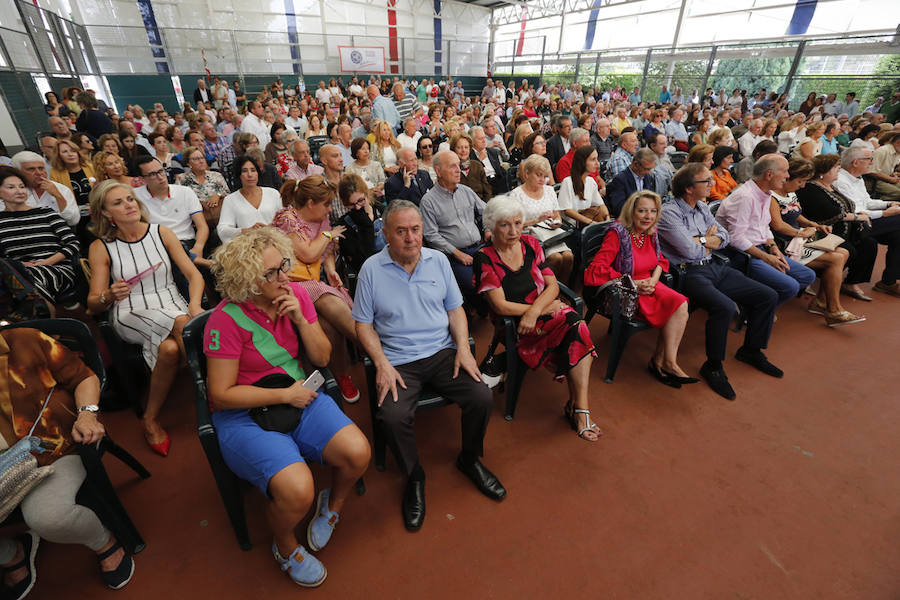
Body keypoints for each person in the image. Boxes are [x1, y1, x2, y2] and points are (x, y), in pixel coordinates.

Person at [203, 227, 369, 587]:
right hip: (245, 414)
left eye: (284, 266)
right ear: (246, 279)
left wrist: (300, 319)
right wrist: (284, 396)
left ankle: (333, 505)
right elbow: (221, 394)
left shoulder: (295, 296)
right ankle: (284, 544)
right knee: (297, 490)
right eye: (272, 273)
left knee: (358, 453)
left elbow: (323, 357)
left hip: (298, 395)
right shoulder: (224, 319)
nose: (285, 277)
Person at [353, 199, 506, 532]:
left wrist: (465, 350)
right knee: (392, 417)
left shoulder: (438, 261)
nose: (411, 238)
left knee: (481, 397)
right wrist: (380, 362)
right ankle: (414, 476)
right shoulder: (371, 270)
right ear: (386, 234)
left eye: (416, 229)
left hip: (441, 352)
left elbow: (455, 310)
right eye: (401, 231)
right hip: (398, 360)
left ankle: (469, 458)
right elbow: (362, 324)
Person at [0, 327, 135, 598]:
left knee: (48, 517)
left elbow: (84, 378)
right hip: (4, 468)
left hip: (54, 450)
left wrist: (87, 415)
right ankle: (11, 553)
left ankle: (103, 540)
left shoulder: (26, 341)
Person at [87, 180, 203, 455]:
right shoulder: (101, 247)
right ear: (105, 213)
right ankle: (215, 396)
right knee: (181, 324)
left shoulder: (161, 232)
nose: (128, 205)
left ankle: (149, 419)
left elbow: (193, 275)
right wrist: (110, 294)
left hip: (173, 303)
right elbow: (94, 303)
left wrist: (195, 305)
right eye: (118, 203)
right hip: (130, 312)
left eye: (129, 199)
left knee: (170, 348)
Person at [474, 195, 600, 440]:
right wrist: (536, 311)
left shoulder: (531, 244)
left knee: (576, 326)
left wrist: (535, 310)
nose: (513, 231)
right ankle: (579, 409)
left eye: (518, 223)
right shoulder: (484, 258)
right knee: (576, 327)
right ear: (492, 226)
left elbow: (553, 286)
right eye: (505, 225)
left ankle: (579, 406)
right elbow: (500, 306)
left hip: (540, 313)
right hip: (514, 324)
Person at [656, 163, 779, 400]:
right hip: (688, 273)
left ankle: (751, 350)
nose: (712, 184)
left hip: (715, 266)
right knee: (723, 306)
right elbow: (689, 252)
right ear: (689, 188)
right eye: (706, 181)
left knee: (767, 295)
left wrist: (703, 240)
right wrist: (707, 239)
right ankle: (713, 365)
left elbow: (725, 237)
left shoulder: (702, 206)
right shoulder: (670, 212)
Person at [585, 189, 694, 387]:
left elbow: (661, 261)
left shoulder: (650, 231)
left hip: (649, 284)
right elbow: (595, 270)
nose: (648, 217)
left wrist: (654, 279)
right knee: (673, 308)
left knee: (681, 304)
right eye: (642, 211)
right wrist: (632, 283)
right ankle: (663, 363)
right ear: (631, 211)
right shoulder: (617, 233)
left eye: (653, 211)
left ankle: (665, 361)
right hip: (625, 291)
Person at [273, 176, 360, 403]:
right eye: (327, 204)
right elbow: (309, 254)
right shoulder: (288, 219)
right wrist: (327, 235)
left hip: (313, 284)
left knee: (330, 326)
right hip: (288, 285)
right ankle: (379, 351)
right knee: (329, 300)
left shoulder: (321, 218)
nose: (330, 209)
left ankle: (339, 376)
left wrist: (331, 270)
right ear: (310, 203)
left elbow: (326, 252)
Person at [768, 158, 863, 326]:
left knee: (844, 252)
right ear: (787, 178)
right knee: (837, 257)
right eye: (800, 181)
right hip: (783, 245)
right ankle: (833, 309)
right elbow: (778, 225)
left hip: (797, 240)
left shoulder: (790, 193)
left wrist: (815, 225)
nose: (803, 186)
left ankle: (822, 302)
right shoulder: (772, 196)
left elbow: (796, 214)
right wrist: (801, 232)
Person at [716, 155, 817, 306]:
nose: (788, 176)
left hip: (762, 248)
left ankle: (761, 305)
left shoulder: (766, 193)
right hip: (742, 254)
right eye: (785, 171)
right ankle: (755, 311)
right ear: (769, 174)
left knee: (807, 276)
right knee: (791, 286)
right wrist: (767, 258)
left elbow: (764, 227)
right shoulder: (745, 197)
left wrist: (773, 248)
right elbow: (736, 239)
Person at [796, 153, 879, 301]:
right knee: (850, 251)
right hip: (825, 232)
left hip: (846, 230)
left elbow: (849, 205)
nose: (839, 171)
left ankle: (851, 283)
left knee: (869, 244)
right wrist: (857, 216)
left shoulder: (831, 186)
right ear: (823, 172)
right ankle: (824, 286)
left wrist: (856, 214)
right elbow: (833, 213)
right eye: (836, 168)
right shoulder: (810, 188)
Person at [0, 166, 80, 310]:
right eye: (11, 187)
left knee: (29, 278)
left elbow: (73, 243)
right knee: (21, 279)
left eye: (22, 186)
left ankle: (47, 325)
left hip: (57, 267)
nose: (19, 191)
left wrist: (45, 262)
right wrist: (22, 266)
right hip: (18, 272)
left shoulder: (46, 213)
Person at [832, 146, 900, 297]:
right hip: (851, 223)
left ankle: (888, 282)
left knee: (898, 235)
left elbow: (866, 202)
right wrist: (885, 212)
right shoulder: (840, 181)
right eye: (869, 159)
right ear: (856, 162)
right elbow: (854, 211)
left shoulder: (857, 178)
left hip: (866, 219)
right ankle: (886, 282)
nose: (871, 162)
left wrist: (888, 204)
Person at [508, 155, 574, 282]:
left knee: (569, 256)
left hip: (551, 233)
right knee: (556, 258)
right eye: (538, 175)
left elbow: (557, 215)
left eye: (545, 176)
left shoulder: (549, 191)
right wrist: (536, 220)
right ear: (527, 174)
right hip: (529, 235)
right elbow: (513, 225)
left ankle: (563, 291)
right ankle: (548, 290)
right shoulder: (516, 195)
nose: (542, 180)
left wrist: (557, 222)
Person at [217, 155, 283, 244]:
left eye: (253, 170)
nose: (250, 175)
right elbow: (222, 229)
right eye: (244, 171)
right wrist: (246, 230)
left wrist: (271, 226)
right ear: (239, 175)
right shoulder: (230, 200)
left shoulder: (273, 193)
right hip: (248, 247)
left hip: (276, 243)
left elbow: (285, 219)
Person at [8, 151, 79, 226]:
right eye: (31, 169)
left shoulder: (61, 189)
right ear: (18, 172)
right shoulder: (9, 193)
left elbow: (73, 221)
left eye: (41, 168)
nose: (38, 173)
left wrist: (58, 196)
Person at [557, 145, 609, 228]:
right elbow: (567, 210)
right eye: (593, 159)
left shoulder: (590, 181)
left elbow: (601, 205)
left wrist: (607, 217)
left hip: (587, 224)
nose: (597, 163)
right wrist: (590, 222)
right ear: (582, 162)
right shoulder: (568, 182)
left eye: (597, 158)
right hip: (571, 227)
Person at [177, 146, 229, 228]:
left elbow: (230, 197)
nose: (201, 161)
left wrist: (218, 195)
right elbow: (179, 203)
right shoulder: (181, 179)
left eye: (202, 158)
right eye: (196, 159)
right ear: (188, 163)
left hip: (220, 216)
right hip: (197, 220)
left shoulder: (216, 175)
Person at [606, 148, 656, 217]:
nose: (648, 172)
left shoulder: (647, 177)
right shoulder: (620, 180)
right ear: (635, 164)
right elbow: (619, 208)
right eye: (646, 169)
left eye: (650, 169)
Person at [49, 139, 95, 207]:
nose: (70, 154)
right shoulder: (55, 174)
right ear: (58, 156)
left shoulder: (91, 167)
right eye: (65, 152)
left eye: (73, 151)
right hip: (73, 211)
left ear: (78, 153)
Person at [451, 133, 492, 203]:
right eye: (459, 147)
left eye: (466, 147)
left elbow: (487, 191)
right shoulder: (450, 169)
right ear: (454, 149)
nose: (463, 150)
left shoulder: (477, 165)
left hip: (481, 206)